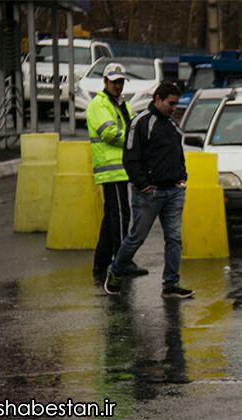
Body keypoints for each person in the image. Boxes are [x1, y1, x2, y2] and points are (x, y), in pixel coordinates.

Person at [104, 82, 194, 299]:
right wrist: (143, 184)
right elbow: (130, 157)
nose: (174, 108)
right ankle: (115, 272)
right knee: (136, 238)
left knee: (174, 238)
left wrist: (182, 178)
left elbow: (177, 154)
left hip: (173, 192)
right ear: (157, 99)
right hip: (149, 194)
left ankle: (170, 283)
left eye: (176, 104)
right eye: (170, 103)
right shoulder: (141, 122)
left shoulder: (171, 126)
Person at [87, 62, 148, 280]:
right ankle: (122, 262)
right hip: (111, 170)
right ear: (105, 82)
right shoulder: (99, 104)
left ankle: (100, 264)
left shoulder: (122, 104)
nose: (118, 86)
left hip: (121, 169)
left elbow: (129, 127)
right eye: (114, 82)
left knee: (111, 218)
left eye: (120, 82)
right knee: (121, 215)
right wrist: (134, 140)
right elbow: (109, 133)